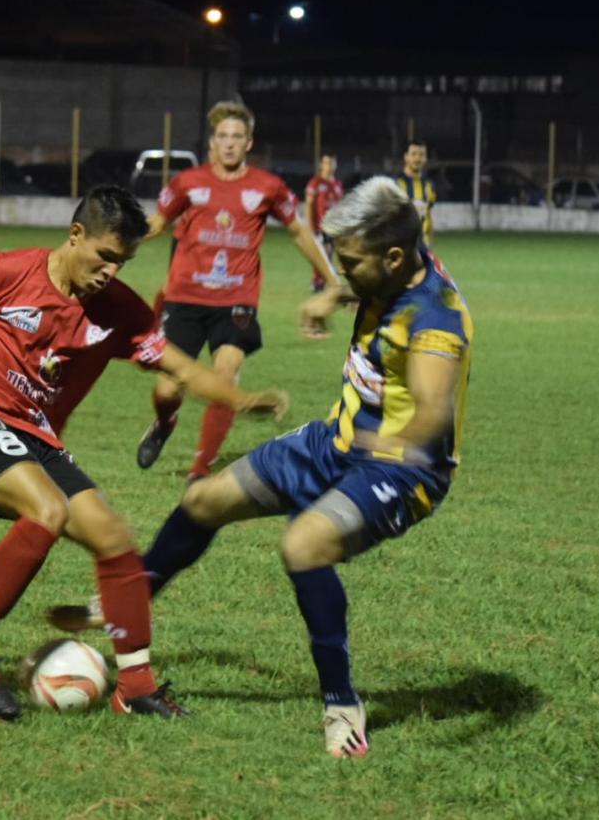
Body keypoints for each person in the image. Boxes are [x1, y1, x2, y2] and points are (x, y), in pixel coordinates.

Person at [49, 177, 472, 757]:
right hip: (333, 443)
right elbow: (372, 283)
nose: (343, 272)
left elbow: (431, 414)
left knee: (304, 546)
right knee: (203, 501)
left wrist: (385, 447)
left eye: (349, 264)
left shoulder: (435, 322)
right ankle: (135, 596)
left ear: (393, 258)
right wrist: (334, 296)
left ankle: (342, 706)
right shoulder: (400, 263)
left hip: (401, 471)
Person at [0, 185, 290, 722]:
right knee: (48, 510)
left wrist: (242, 398)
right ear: (75, 235)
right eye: (103, 257)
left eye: (121, 263)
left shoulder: (121, 311)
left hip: (34, 437)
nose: (109, 273)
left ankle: (137, 687)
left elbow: (183, 368)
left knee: (114, 539)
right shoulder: (5, 272)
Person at [137, 100, 339, 483]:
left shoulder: (268, 187)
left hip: (236, 300)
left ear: (249, 143)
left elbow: (298, 230)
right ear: (212, 142)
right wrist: (114, 244)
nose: (229, 143)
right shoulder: (187, 183)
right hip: (184, 298)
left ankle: (201, 467)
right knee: (167, 389)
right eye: (222, 136)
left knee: (226, 375)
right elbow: (158, 223)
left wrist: (330, 279)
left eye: (237, 136)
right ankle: (165, 422)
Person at [300, 153, 345, 340]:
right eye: (326, 162)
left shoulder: (337, 184)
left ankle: (322, 282)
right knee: (324, 257)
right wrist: (310, 228)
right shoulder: (315, 183)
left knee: (329, 256)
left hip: (333, 227)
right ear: (321, 164)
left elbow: (340, 205)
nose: (329, 165)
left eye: (331, 162)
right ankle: (319, 283)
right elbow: (309, 205)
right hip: (320, 227)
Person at [397, 139, 437, 248]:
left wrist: (431, 246)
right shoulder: (396, 184)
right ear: (406, 156)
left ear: (426, 158)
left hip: (423, 247)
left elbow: (428, 216)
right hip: (401, 247)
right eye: (413, 154)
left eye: (421, 155)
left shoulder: (430, 185)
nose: (417, 158)